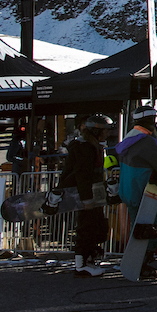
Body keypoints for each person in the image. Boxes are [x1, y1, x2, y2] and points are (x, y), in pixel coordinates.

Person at [114, 108, 157, 281]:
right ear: (149, 121)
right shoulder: (146, 141)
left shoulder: (129, 138)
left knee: (138, 227)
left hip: (129, 191)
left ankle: (137, 263)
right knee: (154, 227)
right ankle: (142, 264)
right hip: (145, 192)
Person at [60, 116, 110, 277]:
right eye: (105, 130)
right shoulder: (84, 148)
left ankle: (89, 258)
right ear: (96, 131)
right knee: (86, 227)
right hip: (84, 195)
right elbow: (83, 175)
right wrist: (86, 199)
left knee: (97, 226)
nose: (108, 133)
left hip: (93, 193)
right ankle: (81, 265)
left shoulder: (93, 146)